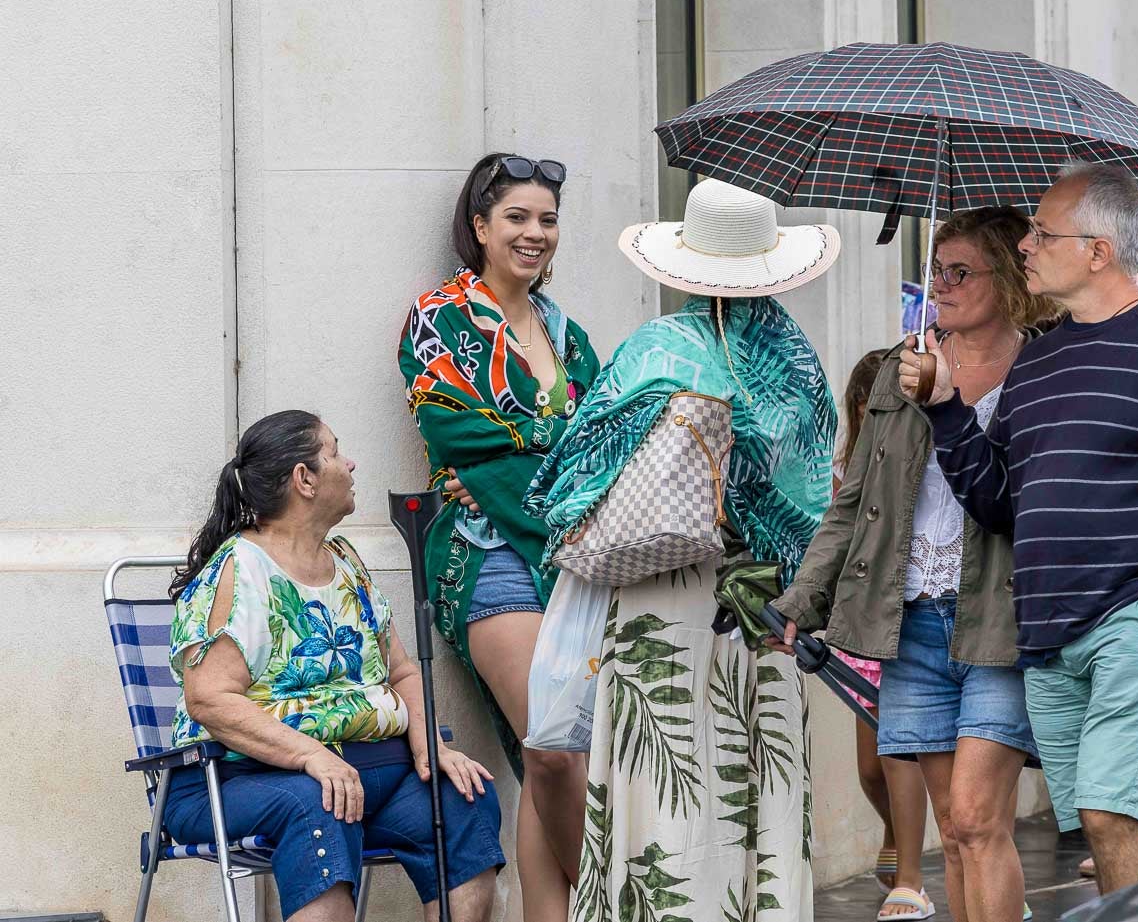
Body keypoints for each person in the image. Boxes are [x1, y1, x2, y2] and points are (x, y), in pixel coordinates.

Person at [900, 161, 1138, 894]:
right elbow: (1000, 502)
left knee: (1112, 811)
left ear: (1097, 250)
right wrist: (944, 408)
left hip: (1136, 620)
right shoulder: (1039, 364)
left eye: (1040, 232)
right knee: (1097, 826)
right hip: (1048, 633)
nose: (1024, 246)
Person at [524, 178, 839, 922]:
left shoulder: (652, 352)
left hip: (657, 601)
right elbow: (814, 507)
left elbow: (567, 485)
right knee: (754, 790)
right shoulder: (797, 370)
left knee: (668, 788)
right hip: (761, 606)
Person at [775, 207, 1058, 922]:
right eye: (935, 269)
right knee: (953, 829)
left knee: (975, 814)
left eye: (960, 271)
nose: (941, 284)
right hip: (912, 622)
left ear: (1008, 276)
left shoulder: (1041, 372)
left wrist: (948, 400)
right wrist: (800, 600)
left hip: (997, 619)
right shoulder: (896, 371)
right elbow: (853, 504)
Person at [163, 410, 503, 922]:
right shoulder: (240, 572)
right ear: (305, 479)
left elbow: (402, 673)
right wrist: (312, 757)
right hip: (242, 778)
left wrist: (430, 744)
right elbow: (210, 699)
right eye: (336, 451)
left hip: (371, 771)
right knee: (317, 803)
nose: (351, 463)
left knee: (464, 795)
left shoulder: (344, 560)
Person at [398, 152, 601, 920]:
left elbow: (601, 436)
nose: (535, 232)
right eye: (516, 217)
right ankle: (611, 898)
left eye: (546, 219)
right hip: (485, 553)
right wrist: (554, 442)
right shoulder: (439, 317)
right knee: (552, 745)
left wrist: (536, 440)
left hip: (572, 558)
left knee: (546, 759)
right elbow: (460, 435)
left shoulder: (563, 329)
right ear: (479, 227)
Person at [830, 348, 931, 903]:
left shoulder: (917, 464)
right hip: (861, 632)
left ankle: (912, 876)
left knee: (900, 756)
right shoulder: (846, 470)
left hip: (902, 625)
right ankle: (898, 831)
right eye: (867, 410)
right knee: (871, 768)